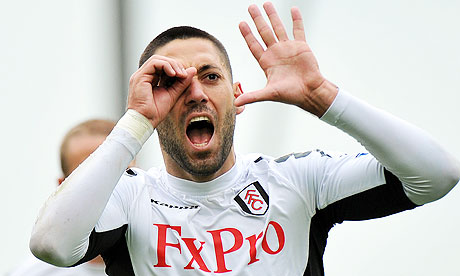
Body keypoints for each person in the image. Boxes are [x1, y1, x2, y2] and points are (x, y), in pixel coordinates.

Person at [29, 2, 460, 275]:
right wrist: (135, 120)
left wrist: (323, 97)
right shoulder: (130, 198)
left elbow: (437, 175)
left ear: (237, 97)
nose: (195, 93)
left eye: (210, 77)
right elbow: (51, 246)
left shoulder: (299, 181)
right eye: (172, 85)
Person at [9, 119, 118, 276]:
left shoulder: (163, 259)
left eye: (123, 171)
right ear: (62, 187)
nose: (109, 187)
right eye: (90, 176)